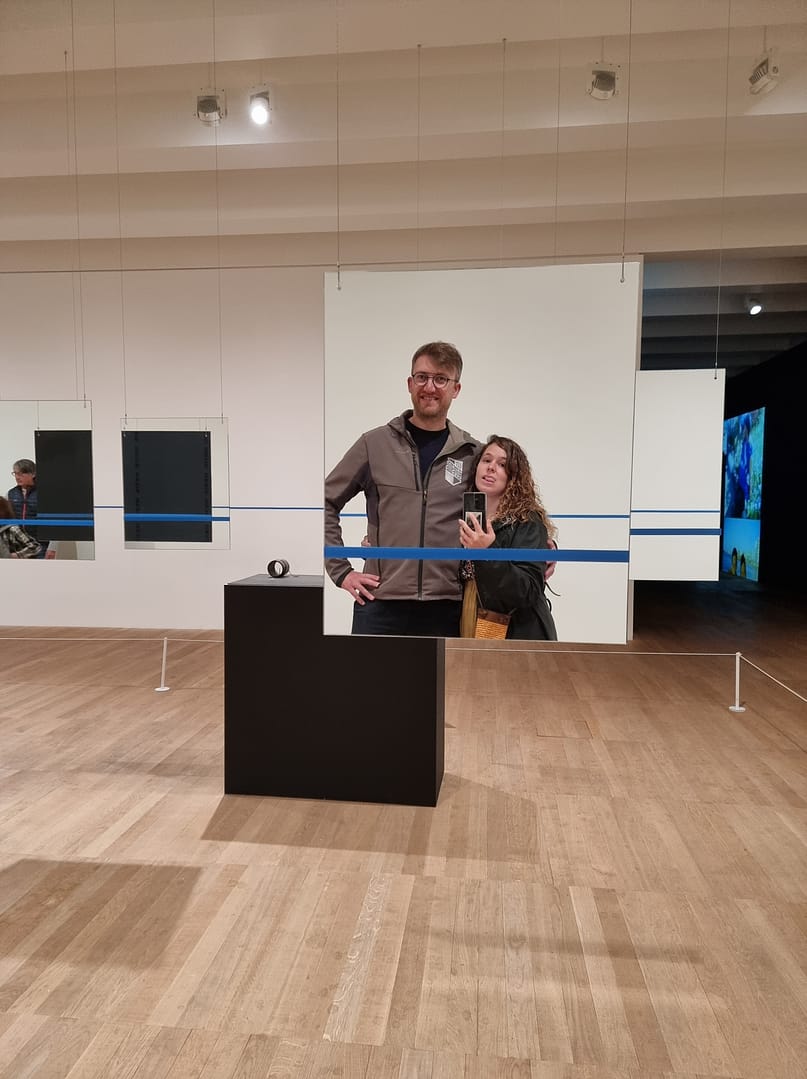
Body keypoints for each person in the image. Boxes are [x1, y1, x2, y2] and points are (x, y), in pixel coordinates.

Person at [325, 341, 479, 637]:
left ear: (456, 389)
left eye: (441, 379)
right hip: (379, 604)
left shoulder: (472, 453)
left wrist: (543, 545)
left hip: (446, 607)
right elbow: (326, 501)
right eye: (422, 377)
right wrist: (341, 571)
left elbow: (508, 506)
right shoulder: (373, 444)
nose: (430, 387)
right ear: (410, 383)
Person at [458, 435, 558, 640]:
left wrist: (487, 552)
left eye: (502, 465)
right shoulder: (466, 517)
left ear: (514, 476)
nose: (491, 468)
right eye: (486, 460)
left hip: (517, 630)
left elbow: (527, 590)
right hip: (469, 616)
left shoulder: (528, 520)